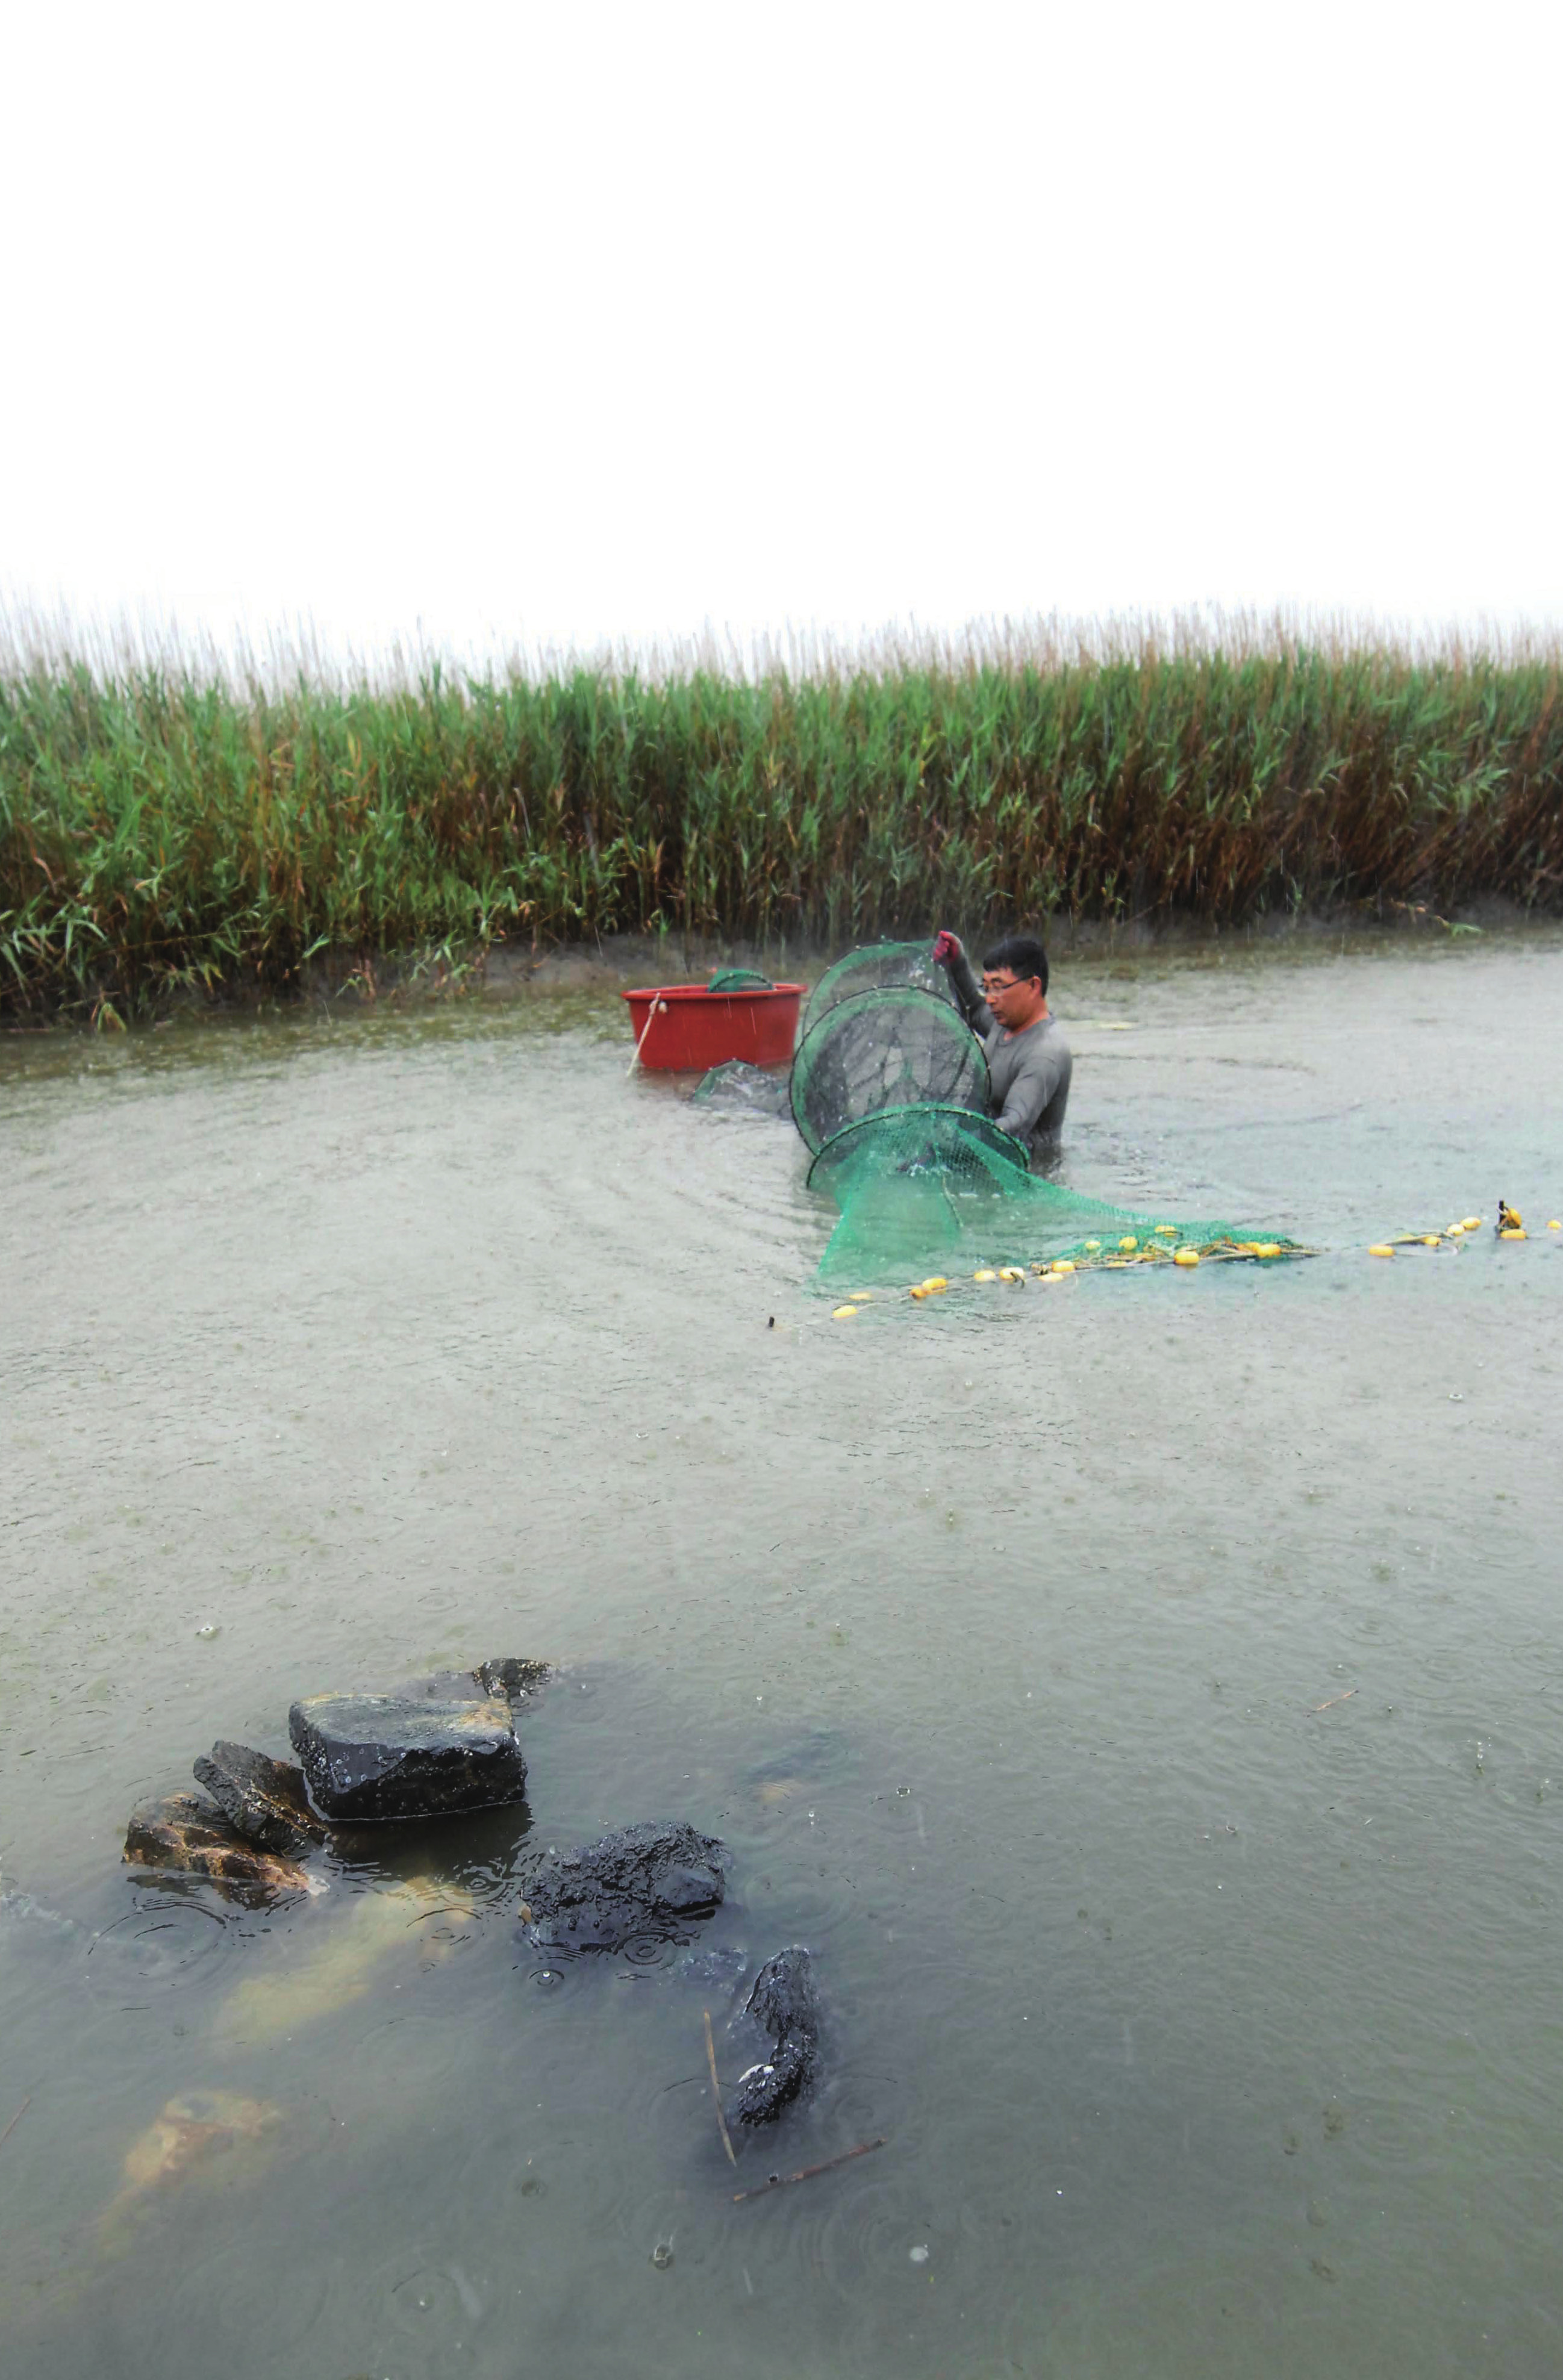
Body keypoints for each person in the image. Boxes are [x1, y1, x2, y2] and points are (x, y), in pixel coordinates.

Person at [932, 928, 1072, 1159]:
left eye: (999, 986)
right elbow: (974, 1010)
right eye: (986, 988)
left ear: (1033, 987)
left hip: (1025, 1172)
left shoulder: (1045, 1054)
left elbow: (1014, 1125)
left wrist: (952, 1140)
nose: (990, 998)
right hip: (984, 1151)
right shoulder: (1005, 1023)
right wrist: (957, 963)